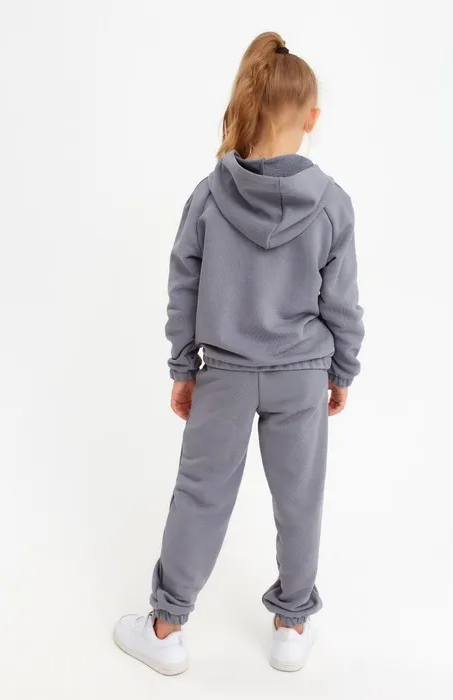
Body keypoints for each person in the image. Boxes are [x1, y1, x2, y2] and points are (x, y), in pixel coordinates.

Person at [113, 31, 364, 675]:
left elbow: (184, 287)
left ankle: (165, 629)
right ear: (312, 119)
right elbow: (342, 303)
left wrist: (182, 367)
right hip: (301, 375)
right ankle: (292, 627)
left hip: (223, 374)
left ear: (248, 106)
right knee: (299, 499)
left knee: (200, 497)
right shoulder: (332, 204)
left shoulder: (209, 194)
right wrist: (341, 370)